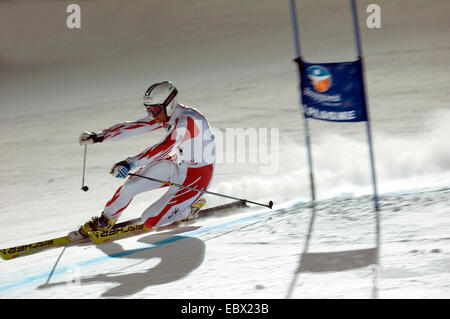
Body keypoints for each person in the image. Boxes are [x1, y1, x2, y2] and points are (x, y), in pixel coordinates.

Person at [70, 81, 216, 240]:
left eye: (155, 109)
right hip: (177, 164)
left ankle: (189, 209)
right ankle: (106, 220)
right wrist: (100, 136)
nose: (152, 114)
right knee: (129, 187)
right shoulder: (167, 114)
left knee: (149, 220)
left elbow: (164, 147)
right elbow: (137, 125)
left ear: (169, 103)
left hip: (197, 175)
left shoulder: (188, 120)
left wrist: (130, 163)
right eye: (149, 109)